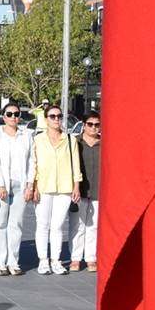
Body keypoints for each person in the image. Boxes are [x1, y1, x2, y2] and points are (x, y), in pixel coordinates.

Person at [30, 105, 81, 275]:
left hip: (64, 187)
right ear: (46, 119)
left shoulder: (70, 139)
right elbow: (34, 165)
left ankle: (56, 260)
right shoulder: (38, 139)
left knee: (58, 226)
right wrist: (34, 186)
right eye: (52, 116)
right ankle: (43, 260)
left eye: (59, 116)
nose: (56, 119)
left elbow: (75, 164)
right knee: (43, 225)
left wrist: (76, 186)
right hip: (43, 186)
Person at [0, 102, 35, 276]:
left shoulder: (26, 136)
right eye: (9, 114)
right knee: (0, 223)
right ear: (4, 117)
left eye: (16, 114)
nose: (13, 117)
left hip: (20, 184)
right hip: (3, 184)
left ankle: (13, 262)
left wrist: (30, 185)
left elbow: (32, 161)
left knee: (16, 224)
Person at [69, 111, 101, 272]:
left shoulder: (104, 144)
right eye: (90, 124)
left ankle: (91, 258)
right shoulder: (76, 143)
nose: (93, 127)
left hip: (98, 190)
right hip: (79, 190)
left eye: (97, 124)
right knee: (77, 225)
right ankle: (75, 258)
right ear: (84, 125)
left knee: (93, 227)